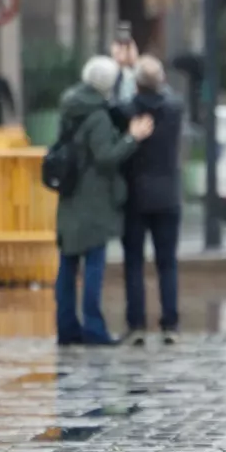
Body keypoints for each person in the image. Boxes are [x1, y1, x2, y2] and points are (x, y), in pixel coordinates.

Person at [55, 56, 154, 346]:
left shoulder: (70, 105)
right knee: (93, 266)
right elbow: (106, 158)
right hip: (93, 201)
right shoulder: (97, 116)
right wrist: (131, 139)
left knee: (67, 264)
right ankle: (94, 329)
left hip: (70, 197)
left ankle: (67, 328)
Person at [120, 55, 185, 346]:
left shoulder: (127, 111)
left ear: (136, 84)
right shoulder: (174, 108)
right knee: (167, 263)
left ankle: (136, 325)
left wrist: (129, 69)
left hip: (135, 197)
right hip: (169, 196)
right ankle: (170, 324)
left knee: (134, 263)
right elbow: (167, 93)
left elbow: (118, 101)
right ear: (161, 82)